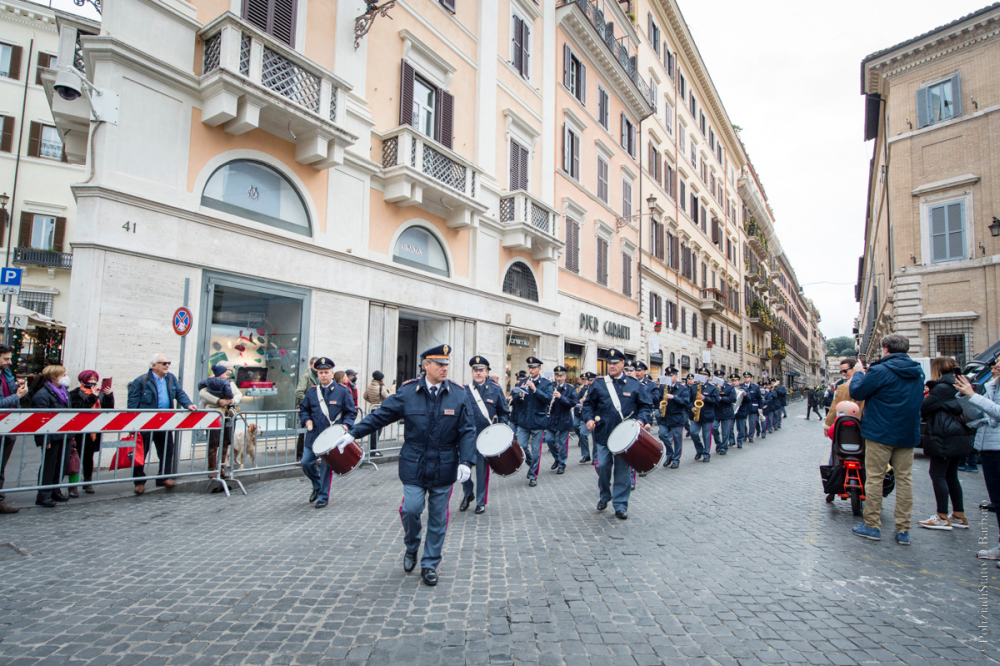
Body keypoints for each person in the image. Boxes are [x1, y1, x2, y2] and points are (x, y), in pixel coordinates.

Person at [335, 344, 476, 586]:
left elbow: (468, 430)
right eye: (439, 364)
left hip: (444, 464)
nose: (445, 368)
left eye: (446, 364)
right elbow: (381, 415)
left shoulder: (459, 394)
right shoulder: (409, 392)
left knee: (438, 518)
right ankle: (412, 545)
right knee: (411, 509)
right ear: (426, 365)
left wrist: (466, 461)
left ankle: (430, 563)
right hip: (414, 463)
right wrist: (353, 433)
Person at [848, 335, 925, 545]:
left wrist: (858, 374)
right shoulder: (917, 371)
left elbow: (857, 392)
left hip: (880, 432)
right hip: (907, 433)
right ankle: (903, 530)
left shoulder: (880, 370)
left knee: (875, 477)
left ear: (885, 349)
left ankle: (872, 525)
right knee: (905, 480)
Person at [581, 348, 653, 519]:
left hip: (625, 436)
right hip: (604, 433)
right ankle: (605, 494)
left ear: (622, 363)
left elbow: (645, 406)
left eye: (615, 363)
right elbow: (588, 405)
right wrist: (588, 419)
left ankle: (620, 504)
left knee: (622, 471)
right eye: (609, 363)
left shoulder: (634, 384)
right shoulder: (598, 384)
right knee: (602, 466)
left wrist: (642, 420)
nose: (611, 366)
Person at [127, 353, 198, 494]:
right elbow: (132, 404)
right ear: (154, 365)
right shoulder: (141, 381)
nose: (167, 365)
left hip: (165, 422)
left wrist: (188, 404)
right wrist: (132, 425)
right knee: (141, 453)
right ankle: (139, 482)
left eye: (168, 363)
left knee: (167, 450)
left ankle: (163, 477)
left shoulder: (170, 379)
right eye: (164, 363)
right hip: (145, 423)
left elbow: (179, 393)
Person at [917, 357, 973, 531]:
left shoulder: (942, 388)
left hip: (944, 434)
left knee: (937, 473)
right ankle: (958, 514)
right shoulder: (959, 383)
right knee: (951, 475)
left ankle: (942, 516)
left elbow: (924, 407)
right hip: (958, 434)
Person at [954, 365, 1000, 565]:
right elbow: (976, 415)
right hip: (988, 446)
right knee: (998, 502)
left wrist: (973, 395)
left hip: (996, 446)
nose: (995, 364)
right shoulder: (991, 386)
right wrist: (964, 395)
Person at [298, 357, 357, 509]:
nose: (323, 375)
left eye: (326, 372)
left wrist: (345, 425)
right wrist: (306, 420)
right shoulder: (312, 392)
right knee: (306, 462)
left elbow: (351, 412)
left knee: (326, 466)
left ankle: (323, 496)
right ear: (317, 374)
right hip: (314, 434)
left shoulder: (342, 391)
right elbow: (304, 409)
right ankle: (317, 485)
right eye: (320, 372)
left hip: (332, 436)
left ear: (332, 373)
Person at [460, 356, 510, 514]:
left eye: (481, 370)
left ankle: (480, 501)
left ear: (487, 372)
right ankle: (468, 493)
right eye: (475, 370)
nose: (478, 373)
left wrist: (500, 430)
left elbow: (504, 412)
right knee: (462, 468)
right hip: (466, 436)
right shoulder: (464, 390)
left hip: (486, 436)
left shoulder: (495, 389)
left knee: (482, 471)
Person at [32, 365, 73, 507]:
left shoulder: (65, 393)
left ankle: (55, 490)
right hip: (52, 436)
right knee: (49, 465)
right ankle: (44, 494)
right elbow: (39, 420)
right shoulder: (42, 395)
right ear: (54, 377)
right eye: (63, 375)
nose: (66, 377)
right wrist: (44, 439)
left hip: (65, 435)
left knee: (61, 465)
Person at [69, 370, 115, 494]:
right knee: (75, 457)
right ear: (83, 380)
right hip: (79, 430)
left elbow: (108, 409)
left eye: (95, 380)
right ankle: (73, 486)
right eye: (90, 380)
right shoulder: (75, 393)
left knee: (89, 457)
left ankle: (87, 482)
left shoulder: (99, 393)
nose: (93, 382)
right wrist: (93, 397)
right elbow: (79, 408)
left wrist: (109, 396)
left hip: (94, 431)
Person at [198, 362, 242, 482]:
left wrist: (231, 401)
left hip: (227, 414)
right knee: (214, 441)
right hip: (214, 415)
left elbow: (238, 394)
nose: (229, 372)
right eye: (227, 370)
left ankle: (221, 467)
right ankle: (212, 469)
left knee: (225, 442)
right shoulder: (210, 381)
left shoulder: (230, 382)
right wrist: (218, 401)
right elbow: (202, 393)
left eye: (230, 370)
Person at [513, 357, 553, 487]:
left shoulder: (546, 383)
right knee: (521, 446)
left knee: (536, 451)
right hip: (524, 421)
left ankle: (533, 475)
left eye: (534, 367)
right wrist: (519, 394)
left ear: (539, 368)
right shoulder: (523, 381)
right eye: (530, 367)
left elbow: (548, 399)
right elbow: (514, 400)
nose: (531, 370)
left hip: (538, 421)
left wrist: (535, 390)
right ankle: (532, 464)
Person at [0, 344, 29, 513]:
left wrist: (18, 386)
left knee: (2, 465)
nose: (9, 362)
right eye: (5, 359)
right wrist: (16, 396)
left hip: (8, 424)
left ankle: (0, 500)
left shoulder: (6, 374)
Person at [544, 366, 577, 475]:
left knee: (563, 443)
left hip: (564, 418)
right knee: (549, 439)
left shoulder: (570, 388)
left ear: (565, 376)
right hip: (552, 417)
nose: (559, 378)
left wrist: (561, 397)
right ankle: (557, 458)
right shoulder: (550, 386)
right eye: (557, 375)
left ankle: (562, 464)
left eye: (561, 375)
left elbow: (573, 403)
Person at [658, 366, 689, 469]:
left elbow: (685, 401)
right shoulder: (663, 387)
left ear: (676, 376)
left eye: (671, 375)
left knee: (677, 439)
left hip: (676, 416)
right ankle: (670, 454)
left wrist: (674, 397)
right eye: (667, 375)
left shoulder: (682, 388)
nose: (669, 377)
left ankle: (676, 459)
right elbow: (658, 398)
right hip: (665, 416)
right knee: (662, 435)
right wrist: (659, 405)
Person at [825, 358, 865, 429]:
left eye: (845, 371)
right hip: (865, 425)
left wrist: (827, 425)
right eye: (841, 372)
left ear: (854, 368)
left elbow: (834, 408)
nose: (843, 374)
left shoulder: (843, 387)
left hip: (849, 426)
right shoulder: (867, 382)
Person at [689, 368, 718, 463]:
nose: (703, 376)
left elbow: (716, 401)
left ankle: (706, 454)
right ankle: (699, 450)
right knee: (693, 432)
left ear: (708, 377)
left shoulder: (712, 388)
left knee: (706, 435)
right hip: (695, 414)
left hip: (707, 414)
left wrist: (705, 398)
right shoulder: (693, 387)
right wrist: (691, 407)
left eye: (705, 375)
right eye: (701, 375)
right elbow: (688, 400)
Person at [294, 357, 319, 461]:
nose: (318, 367)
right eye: (315, 364)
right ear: (310, 365)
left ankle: (313, 455)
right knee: (304, 431)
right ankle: (300, 455)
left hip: (316, 409)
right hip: (308, 409)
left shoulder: (320, 375)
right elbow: (299, 392)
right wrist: (310, 400)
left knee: (314, 431)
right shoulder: (307, 375)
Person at [363, 371, 392, 458]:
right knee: (377, 431)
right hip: (379, 409)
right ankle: (373, 449)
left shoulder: (369, 386)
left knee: (373, 430)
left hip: (372, 409)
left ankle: (372, 448)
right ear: (381, 378)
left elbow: (365, 396)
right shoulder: (381, 387)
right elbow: (388, 397)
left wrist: (372, 403)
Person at [714, 372, 737, 455]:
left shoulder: (729, 387)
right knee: (714, 428)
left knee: (725, 432)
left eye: (721, 377)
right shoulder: (713, 386)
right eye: (717, 377)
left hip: (726, 412)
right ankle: (718, 444)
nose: (719, 379)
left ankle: (724, 447)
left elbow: (733, 399)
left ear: (723, 377)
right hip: (716, 412)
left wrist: (722, 398)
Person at [574, 372, 595, 463]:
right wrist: (581, 400)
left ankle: (595, 457)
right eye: (588, 380)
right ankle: (586, 455)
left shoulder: (599, 388)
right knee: (583, 434)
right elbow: (576, 399)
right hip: (585, 415)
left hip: (595, 416)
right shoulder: (584, 389)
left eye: (591, 380)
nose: (589, 382)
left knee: (596, 437)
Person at [737, 372, 760, 446]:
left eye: (748, 377)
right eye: (745, 377)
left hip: (752, 407)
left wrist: (760, 408)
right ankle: (744, 435)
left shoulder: (755, 387)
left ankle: (751, 436)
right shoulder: (741, 386)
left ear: (750, 378)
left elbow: (759, 398)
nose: (746, 378)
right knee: (743, 422)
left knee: (752, 423)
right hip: (743, 407)